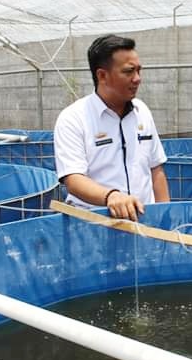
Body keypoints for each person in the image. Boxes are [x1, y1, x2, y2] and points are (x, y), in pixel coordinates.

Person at [54, 34, 169, 221]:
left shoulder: (142, 112)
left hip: (144, 221)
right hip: (94, 226)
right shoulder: (73, 118)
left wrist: (166, 216)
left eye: (139, 71)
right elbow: (73, 179)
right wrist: (111, 196)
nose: (137, 78)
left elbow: (156, 169)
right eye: (129, 71)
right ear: (102, 75)